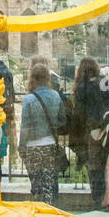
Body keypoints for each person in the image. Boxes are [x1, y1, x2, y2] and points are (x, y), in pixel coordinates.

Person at [71, 57, 109, 210]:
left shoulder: (83, 87)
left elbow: (79, 114)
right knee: (105, 165)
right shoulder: (106, 82)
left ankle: (99, 200)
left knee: (94, 167)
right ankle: (107, 199)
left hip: (93, 132)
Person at [19, 63, 66, 207]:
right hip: (50, 144)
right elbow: (62, 120)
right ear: (47, 78)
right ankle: (49, 213)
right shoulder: (56, 96)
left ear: (32, 78)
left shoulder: (29, 99)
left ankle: (37, 213)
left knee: (36, 185)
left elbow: (25, 126)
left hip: (32, 146)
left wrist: (21, 145)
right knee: (48, 185)